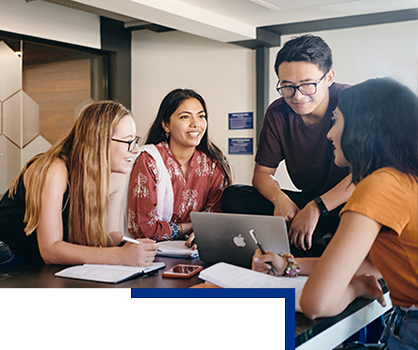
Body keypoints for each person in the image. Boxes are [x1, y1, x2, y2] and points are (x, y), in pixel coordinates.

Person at [252, 78, 418, 349]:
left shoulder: (378, 185)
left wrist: (358, 287)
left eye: (337, 121)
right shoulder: (405, 179)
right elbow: (369, 265)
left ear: (363, 129)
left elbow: (317, 304)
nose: (329, 133)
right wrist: (287, 263)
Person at [0, 100, 158, 276]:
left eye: (136, 140)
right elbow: (51, 250)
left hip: (39, 262)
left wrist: (133, 247)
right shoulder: (55, 169)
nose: (137, 149)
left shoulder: (117, 173)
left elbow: (110, 234)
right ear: (100, 141)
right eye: (129, 141)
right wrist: (120, 257)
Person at [221, 34, 352, 257]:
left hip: (346, 202)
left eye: (307, 85)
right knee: (234, 196)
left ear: (329, 78)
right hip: (307, 200)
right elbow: (262, 174)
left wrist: (317, 208)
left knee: (361, 214)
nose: (297, 96)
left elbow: (367, 174)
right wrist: (280, 199)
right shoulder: (277, 112)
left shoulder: (353, 102)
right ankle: (313, 240)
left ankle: (313, 240)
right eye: (287, 86)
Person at [127, 88, 232, 242]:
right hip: (150, 255)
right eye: (185, 117)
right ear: (166, 125)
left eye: (201, 116)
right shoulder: (148, 160)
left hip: (196, 252)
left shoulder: (213, 166)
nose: (196, 124)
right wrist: (191, 227)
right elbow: (144, 229)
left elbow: (214, 220)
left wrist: (202, 233)